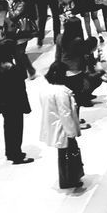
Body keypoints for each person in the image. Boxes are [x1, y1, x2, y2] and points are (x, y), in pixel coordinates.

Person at [0, 39, 35, 165]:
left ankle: (11, 152)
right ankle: (16, 154)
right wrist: (19, 60)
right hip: (13, 100)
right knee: (16, 127)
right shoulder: (9, 67)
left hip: (3, 98)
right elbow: (22, 76)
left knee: (9, 127)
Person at [40, 62, 85, 190]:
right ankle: (69, 179)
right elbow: (65, 113)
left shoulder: (46, 89)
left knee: (63, 154)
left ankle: (67, 179)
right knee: (68, 154)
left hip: (53, 126)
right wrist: (71, 133)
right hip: (63, 128)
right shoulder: (61, 92)